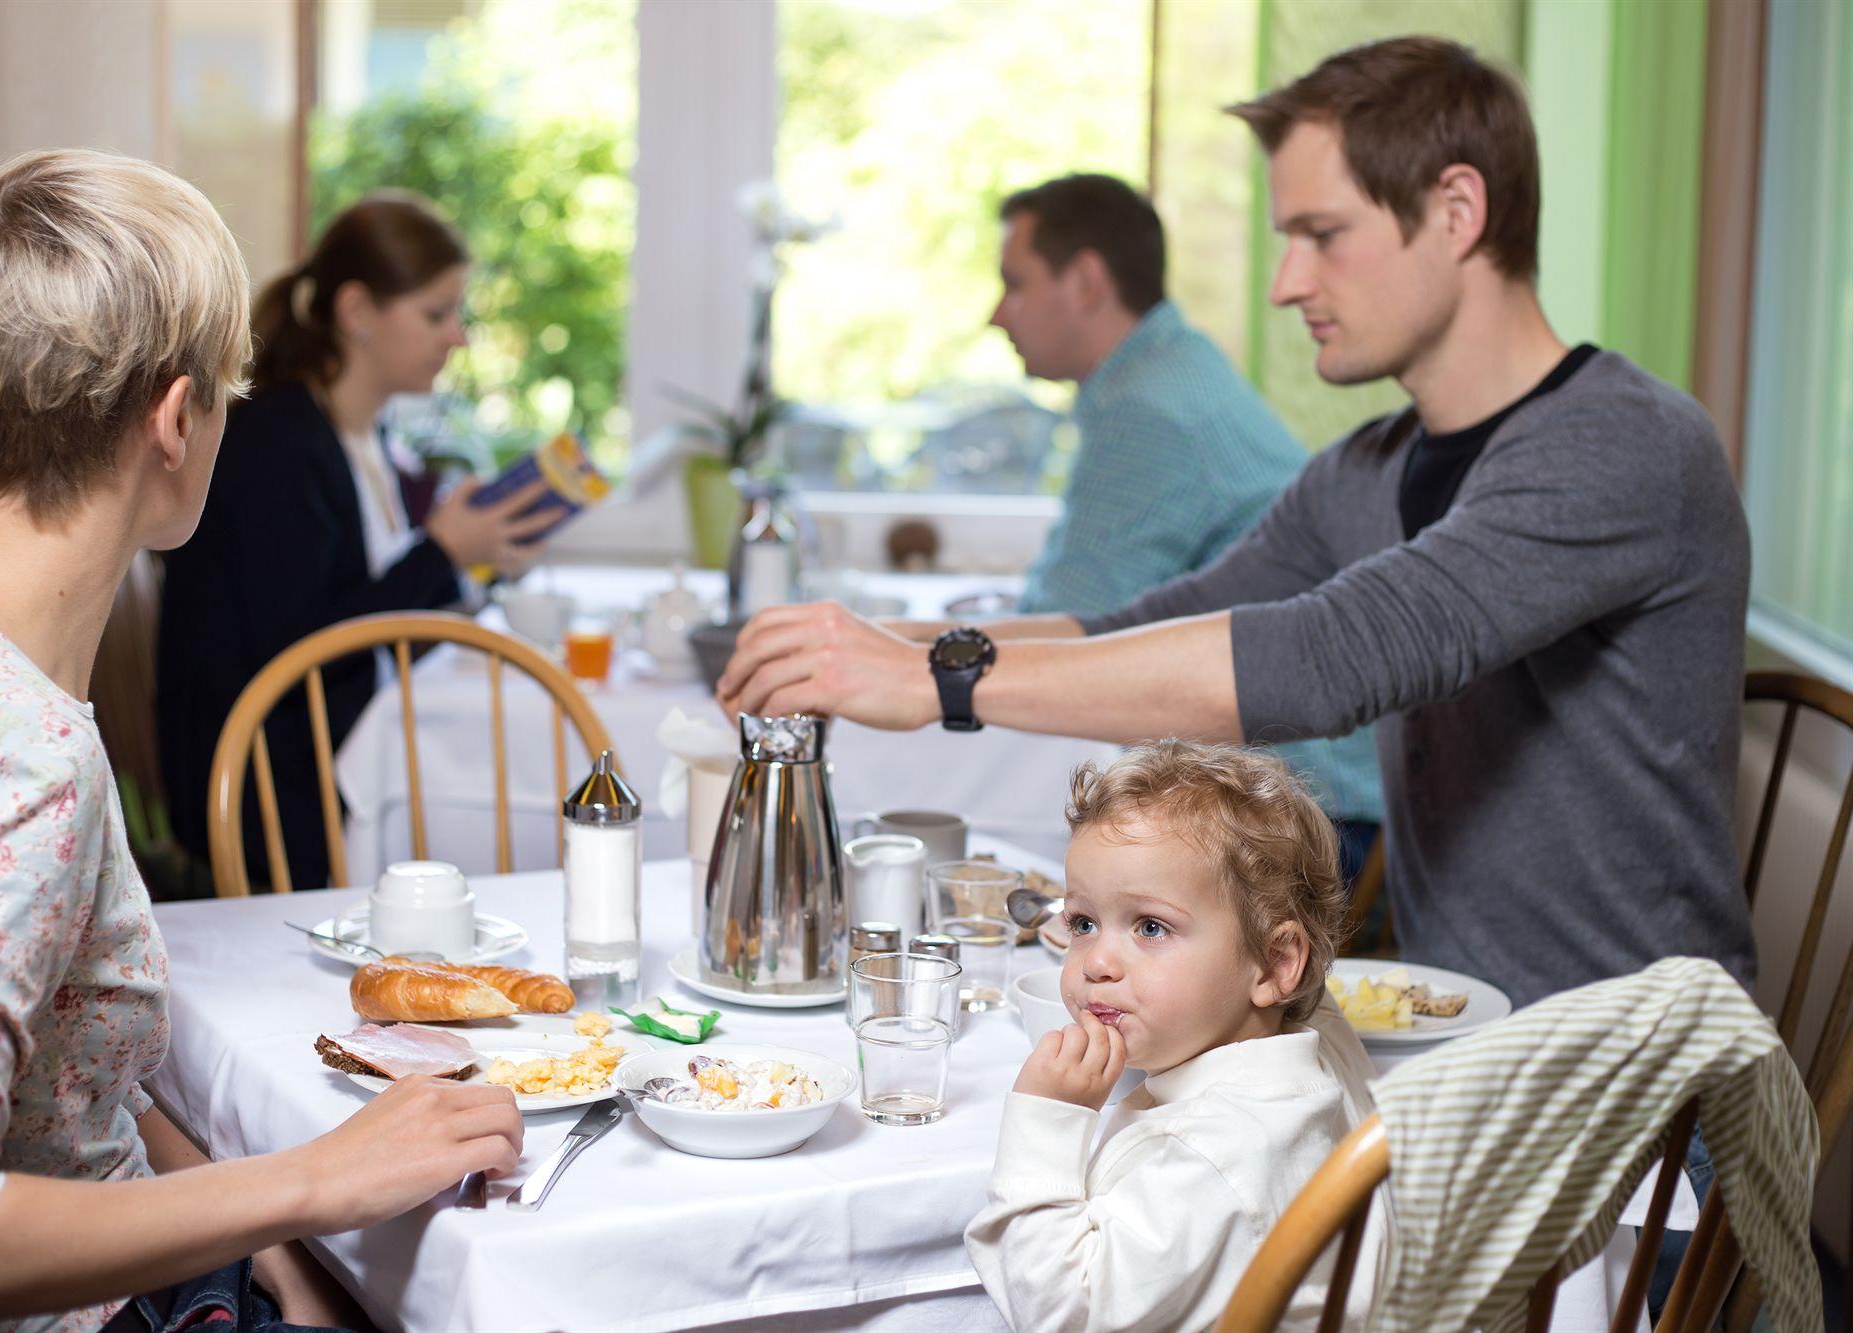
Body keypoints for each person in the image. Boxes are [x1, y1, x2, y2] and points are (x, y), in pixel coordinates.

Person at [719, 36, 1755, 1013]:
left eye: (1321, 235)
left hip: (1636, 1105)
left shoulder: (1620, 446)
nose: (1284, 284)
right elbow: (1148, 619)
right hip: (1451, 1041)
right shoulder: (1367, 468)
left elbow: (1325, 660)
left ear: (1454, 210)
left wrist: (935, 685)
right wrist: (885, 647)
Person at [0, 149, 523, 1329]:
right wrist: (309, 1182)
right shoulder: (8, 749)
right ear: (175, 418)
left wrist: (251, 1228)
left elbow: (58, 1094)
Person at [158, 192, 554, 892]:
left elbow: (371, 619)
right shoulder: (279, 440)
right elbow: (305, 643)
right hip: (272, 791)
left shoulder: (365, 434)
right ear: (357, 313)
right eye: (436, 313)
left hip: (330, 750)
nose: (456, 336)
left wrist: (471, 563)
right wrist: (439, 553)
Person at [990, 172, 1383, 874]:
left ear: (1085, 281)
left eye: (1015, 283)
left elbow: (1065, 627)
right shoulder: (1175, 371)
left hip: (1297, 823)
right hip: (1319, 794)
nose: (998, 313)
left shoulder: (1152, 409)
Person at [965, 741, 1386, 1329]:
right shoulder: (1306, 1031)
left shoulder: (1210, 1157)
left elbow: (1064, 1315)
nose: (1097, 963)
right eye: (1083, 923)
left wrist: (1047, 1118)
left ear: (1273, 965)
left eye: (1151, 927)